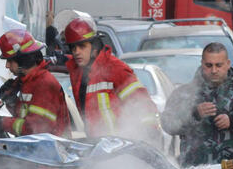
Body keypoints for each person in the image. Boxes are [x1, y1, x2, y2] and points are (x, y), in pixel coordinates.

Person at [58, 10, 161, 145]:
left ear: (94, 46)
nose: (77, 52)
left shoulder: (115, 69)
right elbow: (62, 62)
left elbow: (142, 104)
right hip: (98, 149)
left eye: (82, 46)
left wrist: (149, 134)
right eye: (73, 48)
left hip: (121, 149)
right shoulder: (78, 71)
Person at [0, 28, 70, 137]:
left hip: (50, 151)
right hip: (36, 149)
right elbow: (25, 117)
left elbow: (36, 129)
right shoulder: (27, 82)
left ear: (22, 59)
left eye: (10, 60)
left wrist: (3, 123)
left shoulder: (44, 84)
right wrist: (12, 102)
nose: (7, 65)